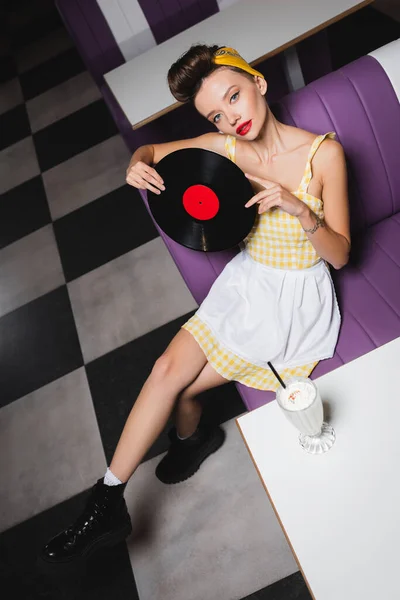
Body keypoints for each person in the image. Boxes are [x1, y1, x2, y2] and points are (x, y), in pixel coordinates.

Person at [40, 45, 350, 564]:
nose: (233, 118)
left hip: (292, 301)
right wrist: (134, 167)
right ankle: (109, 498)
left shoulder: (324, 154)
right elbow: (150, 152)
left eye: (235, 96)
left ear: (260, 83)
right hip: (245, 286)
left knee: (180, 389)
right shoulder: (222, 148)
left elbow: (340, 256)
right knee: (166, 368)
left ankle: (191, 438)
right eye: (216, 114)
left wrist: (298, 207)